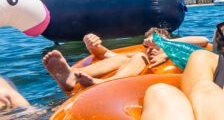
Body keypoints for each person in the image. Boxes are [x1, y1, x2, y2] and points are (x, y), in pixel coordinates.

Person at [43, 28, 210, 92]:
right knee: (134, 56)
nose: (151, 49)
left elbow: (203, 40)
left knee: (138, 56)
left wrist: (165, 46)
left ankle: (99, 82)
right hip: (124, 85)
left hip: (165, 87)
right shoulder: (138, 57)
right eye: (149, 44)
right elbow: (106, 55)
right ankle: (71, 76)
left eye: (156, 45)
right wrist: (91, 44)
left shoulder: (177, 55)